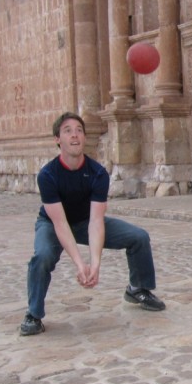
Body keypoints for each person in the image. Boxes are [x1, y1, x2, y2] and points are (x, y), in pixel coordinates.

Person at [19, 112, 165, 336]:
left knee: (138, 237)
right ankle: (34, 314)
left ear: (84, 138)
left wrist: (95, 265)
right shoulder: (48, 175)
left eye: (79, 130)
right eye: (67, 131)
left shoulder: (97, 173)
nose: (74, 135)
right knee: (43, 256)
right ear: (58, 139)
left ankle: (138, 289)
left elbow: (96, 220)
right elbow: (60, 223)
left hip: (86, 221)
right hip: (53, 224)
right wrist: (80, 265)